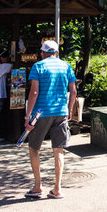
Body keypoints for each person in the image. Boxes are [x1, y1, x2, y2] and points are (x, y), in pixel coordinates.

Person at [24, 40, 76, 199]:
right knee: (58, 150)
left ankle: (38, 186)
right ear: (57, 52)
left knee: (34, 148)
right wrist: (69, 110)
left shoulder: (38, 67)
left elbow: (34, 93)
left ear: (42, 52)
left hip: (41, 113)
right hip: (60, 112)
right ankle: (57, 188)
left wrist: (28, 116)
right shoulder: (66, 66)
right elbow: (73, 91)